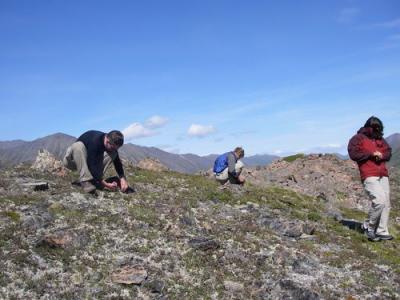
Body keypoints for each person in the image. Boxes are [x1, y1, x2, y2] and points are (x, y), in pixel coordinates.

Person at [348, 116, 392, 242]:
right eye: (376, 128)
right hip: (369, 173)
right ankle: (368, 226)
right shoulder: (358, 138)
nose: (378, 131)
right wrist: (371, 154)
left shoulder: (380, 139)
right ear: (369, 127)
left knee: (386, 204)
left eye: (379, 128)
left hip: (383, 173)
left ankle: (382, 231)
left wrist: (382, 155)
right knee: (379, 200)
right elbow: (354, 154)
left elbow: (388, 152)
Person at [63, 130, 130, 193]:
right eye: (112, 147)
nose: (114, 149)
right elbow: (91, 165)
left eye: (116, 148)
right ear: (107, 141)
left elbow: (117, 162)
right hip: (72, 161)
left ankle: (94, 181)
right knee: (78, 145)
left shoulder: (110, 142)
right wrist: (105, 184)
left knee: (113, 153)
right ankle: (85, 181)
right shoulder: (95, 141)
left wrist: (122, 178)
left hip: (87, 161)